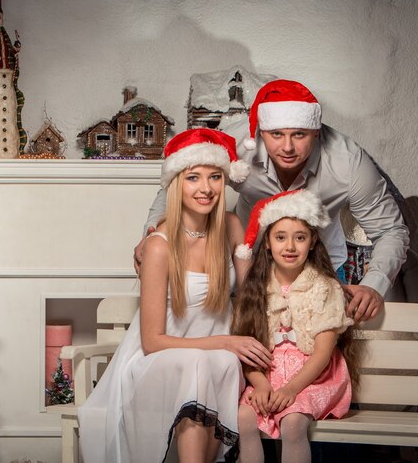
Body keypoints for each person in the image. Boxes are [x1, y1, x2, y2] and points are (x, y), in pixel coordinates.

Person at [136, 79, 409, 322]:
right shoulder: (236, 141)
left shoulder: (348, 162)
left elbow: (390, 230)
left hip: (318, 263)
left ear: (316, 131)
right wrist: (152, 234)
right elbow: (177, 184)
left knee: (318, 350)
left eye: (299, 134)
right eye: (276, 135)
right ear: (261, 132)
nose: (287, 147)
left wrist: (374, 283)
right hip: (246, 261)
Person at [78, 128, 273, 463]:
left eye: (214, 177)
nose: (206, 188)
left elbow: (253, 297)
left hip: (212, 359)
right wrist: (226, 342)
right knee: (204, 361)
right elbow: (152, 341)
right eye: (193, 177)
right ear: (175, 184)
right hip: (158, 361)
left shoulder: (230, 228)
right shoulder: (158, 245)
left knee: (224, 363)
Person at [230, 189, 358, 463]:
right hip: (267, 375)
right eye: (280, 237)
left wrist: (290, 390)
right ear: (267, 243)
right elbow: (247, 348)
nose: (290, 247)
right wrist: (261, 384)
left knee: (293, 421)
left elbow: (323, 354)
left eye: (299, 238)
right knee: (243, 417)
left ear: (312, 241)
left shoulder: (325, 288)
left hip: (312, 377)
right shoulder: (256, 290)